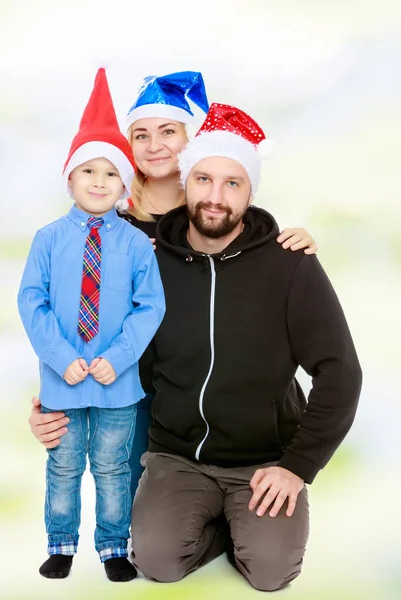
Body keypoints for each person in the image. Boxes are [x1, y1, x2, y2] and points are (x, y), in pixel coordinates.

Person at [27, 72, 319, 501]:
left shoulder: (215, 209)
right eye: (140, 135)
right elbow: (65, 307)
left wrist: (299, 244)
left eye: (168, 131)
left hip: (223, 392)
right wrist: (49, 400)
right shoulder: (109, 221)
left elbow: (261, 270)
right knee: (133, 516)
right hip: (130, 387)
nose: (154, 144)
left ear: (191, 140)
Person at [130, 102, 362, 591]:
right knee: (156, 562)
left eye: (232, 183)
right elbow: (121, 349)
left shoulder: (290, 264)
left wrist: (296, 468)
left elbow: (340, 371)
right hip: (176, 456)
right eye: (203, 180)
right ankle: (216, 528)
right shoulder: (150, 263)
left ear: (250, 192)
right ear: (185, 182)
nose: (215, 197)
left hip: (266, 461)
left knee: (272, 575)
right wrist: (57, 396)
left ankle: (253, 529)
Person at [17, 68, 165, 582]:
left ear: (125, 184)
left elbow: (151, 307)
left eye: (110, 173)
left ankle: (112, 548)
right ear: (70, 178)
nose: (99, 182)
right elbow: (30, 302)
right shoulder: (48, 239)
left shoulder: (134, 245)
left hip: (117, 384)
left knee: (112, 470)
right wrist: (63, 359)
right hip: (62, 380)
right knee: (62, 467)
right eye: (88, 172)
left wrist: (115, 359)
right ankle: (60, 543)